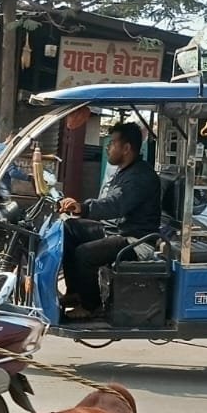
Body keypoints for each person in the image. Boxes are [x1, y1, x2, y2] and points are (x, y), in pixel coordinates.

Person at [57, 121, 162, 316]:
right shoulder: (126, 171)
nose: (108, 148)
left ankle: (91, 307)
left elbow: (116, 204)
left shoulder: (140, 176)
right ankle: (76, 292)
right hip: (117, 231)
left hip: (136, 240)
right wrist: (80, 210)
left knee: (84, 254)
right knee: (69, 228)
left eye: (112, 143)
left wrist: (83, 207)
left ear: (126, 148)